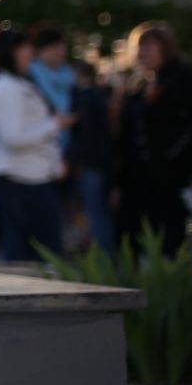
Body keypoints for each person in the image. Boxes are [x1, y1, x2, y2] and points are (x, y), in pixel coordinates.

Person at [0, 23, 71, 260]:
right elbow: (14, 137)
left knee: (32, 254)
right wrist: (53, 125)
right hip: (23, 180)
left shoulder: (13, 84)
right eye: (25, 48)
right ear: (11, 52)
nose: (31, 53)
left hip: (28, 177)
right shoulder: (7, 88)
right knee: (35, 256)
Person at [115, 22, 192, 255]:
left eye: (148, 47)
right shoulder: (138, 86)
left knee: (170, 240)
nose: (142, 54)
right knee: (132, 238)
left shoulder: (183, 78)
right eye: (139, 48)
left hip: (172, 176)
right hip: (138, 179)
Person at [67, 59, 117, 254]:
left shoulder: (85, 98)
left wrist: (73, 160)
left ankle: (102, 258)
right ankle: (103, 256)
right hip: (99, 163)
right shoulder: (99, 96)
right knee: (97, 212)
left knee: (95, 213)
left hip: (89, 164)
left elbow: (85, 135)